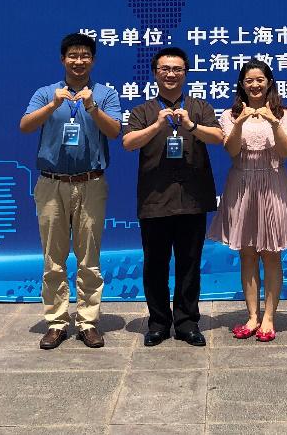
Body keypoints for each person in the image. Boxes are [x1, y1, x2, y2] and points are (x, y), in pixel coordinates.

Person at [19, 32, 121, 349]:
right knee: (54, 258)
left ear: (93, 60)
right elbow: (25, 125)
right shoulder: (46, 93)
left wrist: (93, 108)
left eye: (85, 56)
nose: (79, 61)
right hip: (52, 183)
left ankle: (88, 322)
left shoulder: (105, 94)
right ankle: (57, 322)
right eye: (73, 56)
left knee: (89, 258)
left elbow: (115, 131)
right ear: (63, 59)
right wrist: (53, 104)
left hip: (91, 182)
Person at [123, 46, 224, 347]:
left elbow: (218, 137)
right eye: (165, 69)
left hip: (192, 198)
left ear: (186, 73)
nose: (171, 74)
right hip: (155, 199)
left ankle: (187, 322)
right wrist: (157, 125)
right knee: (155, 264)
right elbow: (128, 142)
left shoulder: (200, 107)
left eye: (177, 69)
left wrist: (191, 125)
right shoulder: (143, 111)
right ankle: (158, 323)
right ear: (155, 73)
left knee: (189, 263)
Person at [208, 60, 287, 342]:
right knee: (247, 253)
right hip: (242, 185)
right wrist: (239, 122)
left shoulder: (285, 114)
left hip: (273, 184)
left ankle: (269, 318)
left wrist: (273, 121)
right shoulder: (230, 115)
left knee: (271, 253)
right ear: (242, 85)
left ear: (269, 82)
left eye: (260, 79)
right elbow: (231, 150)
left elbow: (286, 151)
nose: (255, 85)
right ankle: (252, 316)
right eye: (249, 80)